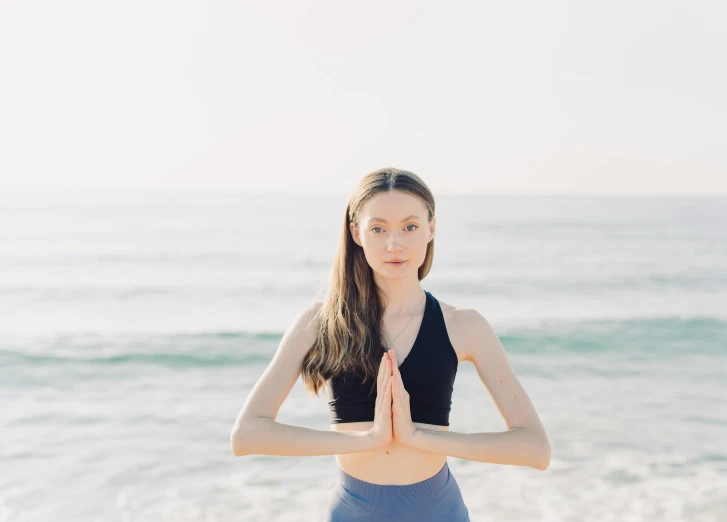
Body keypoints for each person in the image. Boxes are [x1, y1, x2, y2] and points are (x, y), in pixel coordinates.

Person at [230, 168, 551, 521]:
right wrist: (367, 439)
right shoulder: (321, 322)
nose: (394, 244)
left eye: (410, 227)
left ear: (431, 228)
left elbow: (535, 449)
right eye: (378, 228)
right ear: (356, 233)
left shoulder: (464, 326)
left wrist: (420, 437)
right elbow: (247, 435)